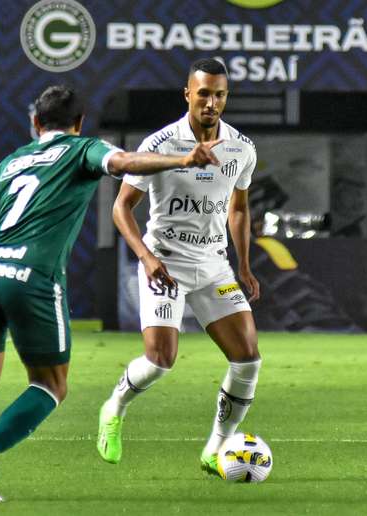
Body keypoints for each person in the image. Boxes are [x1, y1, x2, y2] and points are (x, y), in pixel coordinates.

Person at [0, 84, 222, 501]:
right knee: (51, 385)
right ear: (79, 123)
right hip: (31, 276)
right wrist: (183, 157)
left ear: (36, 123)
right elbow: (125, 161)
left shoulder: (11, 162)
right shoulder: (82, 149)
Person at [96, 58, 262, 476]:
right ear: (187, 93)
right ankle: (114, 407)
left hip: (214, 265)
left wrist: (243, 265)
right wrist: (147, 258)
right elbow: (121, 209)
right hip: (165, 264)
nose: (211, 102)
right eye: (203, 93)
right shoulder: (159, 144)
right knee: (160, 360)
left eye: (219, 94)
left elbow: (238, 209)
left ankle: (216, 448)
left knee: (247, 358)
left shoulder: (241, 148)